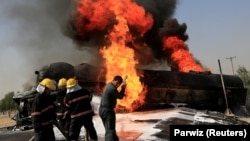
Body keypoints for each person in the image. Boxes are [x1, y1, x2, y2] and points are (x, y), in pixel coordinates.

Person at [99, 75, 127, 141]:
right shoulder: (112, 88)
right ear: (114, 80)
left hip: (103, 110)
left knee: (110, 128)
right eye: (117, 83)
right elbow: (120, 96)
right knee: (110, 130)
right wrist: (123, 88)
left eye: (119, 84)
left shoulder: (108, 85)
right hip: (107, 111)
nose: (117, 85)